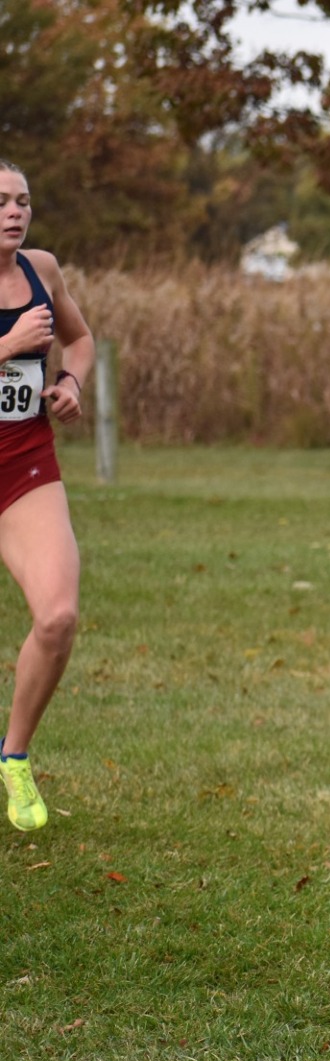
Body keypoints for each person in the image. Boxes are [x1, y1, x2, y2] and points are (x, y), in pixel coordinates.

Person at [0, 159, 93, 832]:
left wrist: (70, 384)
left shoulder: (43, 270)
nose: (15, 211)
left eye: (23, 200)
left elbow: (81, 340)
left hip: (24, 466)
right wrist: (7, 344)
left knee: (57, 617)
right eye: (2, 200)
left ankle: (13, 758)